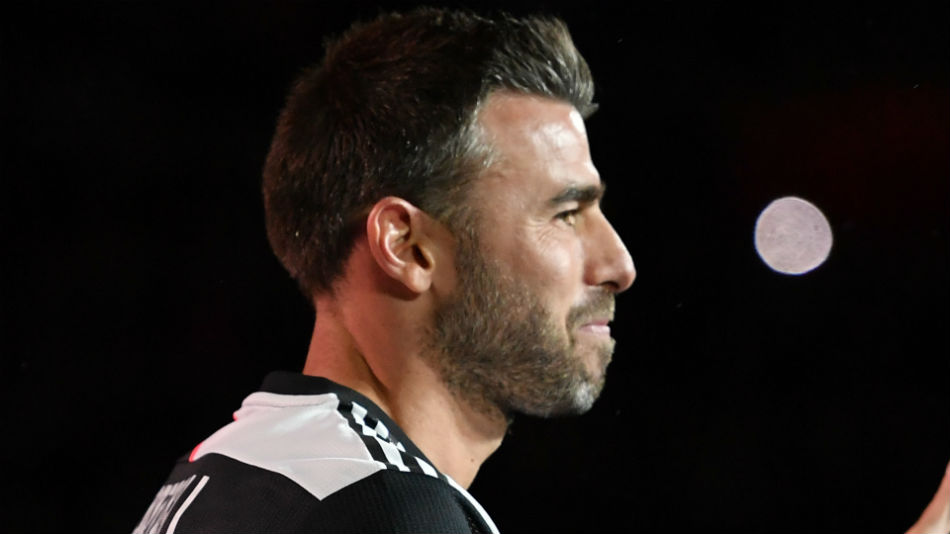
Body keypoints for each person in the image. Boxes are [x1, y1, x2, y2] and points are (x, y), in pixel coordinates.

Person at [134, 8, 635, 533]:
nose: (619, 265)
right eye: (566, 214)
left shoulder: (225, 469)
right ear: (407, 246)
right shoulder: (387, 510)